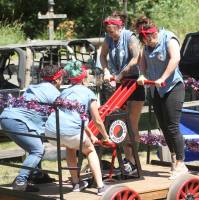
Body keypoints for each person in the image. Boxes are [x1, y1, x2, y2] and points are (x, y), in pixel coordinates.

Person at [45, 60, 111, 196]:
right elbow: (97, 120)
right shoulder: (88, 93)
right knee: (90, 151)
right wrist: (106, 137)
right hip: (70, 132)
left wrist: (90, 135)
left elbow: (76, 119)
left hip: (51, 131)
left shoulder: (64, 92)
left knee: (70, 147)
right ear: (84, 78)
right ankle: (100, 187)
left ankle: (76, 183)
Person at [135, 16, 188, 180]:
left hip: (173, 87)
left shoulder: (168, 39)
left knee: (172, 126)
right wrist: (142, 75)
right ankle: (173, 158)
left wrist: (163, 78)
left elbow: (175, 58)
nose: (147, 44)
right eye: (144, 41)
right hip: (156, 90)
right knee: (163, 127)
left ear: (152, 34)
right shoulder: (145, 46)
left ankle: (181, 163)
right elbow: (141, 62)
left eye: (148, 40)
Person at [0, 64, 63, 192]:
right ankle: (20, 181)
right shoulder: (54, 92)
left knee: (36, 145)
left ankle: (37, 175)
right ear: (57, 80)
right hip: (18, 121)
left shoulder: (34, 87)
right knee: (37, 150)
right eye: (62, 78)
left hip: (6, 117)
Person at [100, 11, 144, 175]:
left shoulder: (130, 37)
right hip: (119, 84)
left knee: (132, 122)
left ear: (120, 27)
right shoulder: (108, 38)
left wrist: (122, 73)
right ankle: (127, 159)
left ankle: (133, 161)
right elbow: (103, 56)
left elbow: (136, 57)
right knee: (121, 123)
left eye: (113, 32)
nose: (111, 35)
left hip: (134, 83)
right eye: (108, 32)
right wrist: (105, 71)